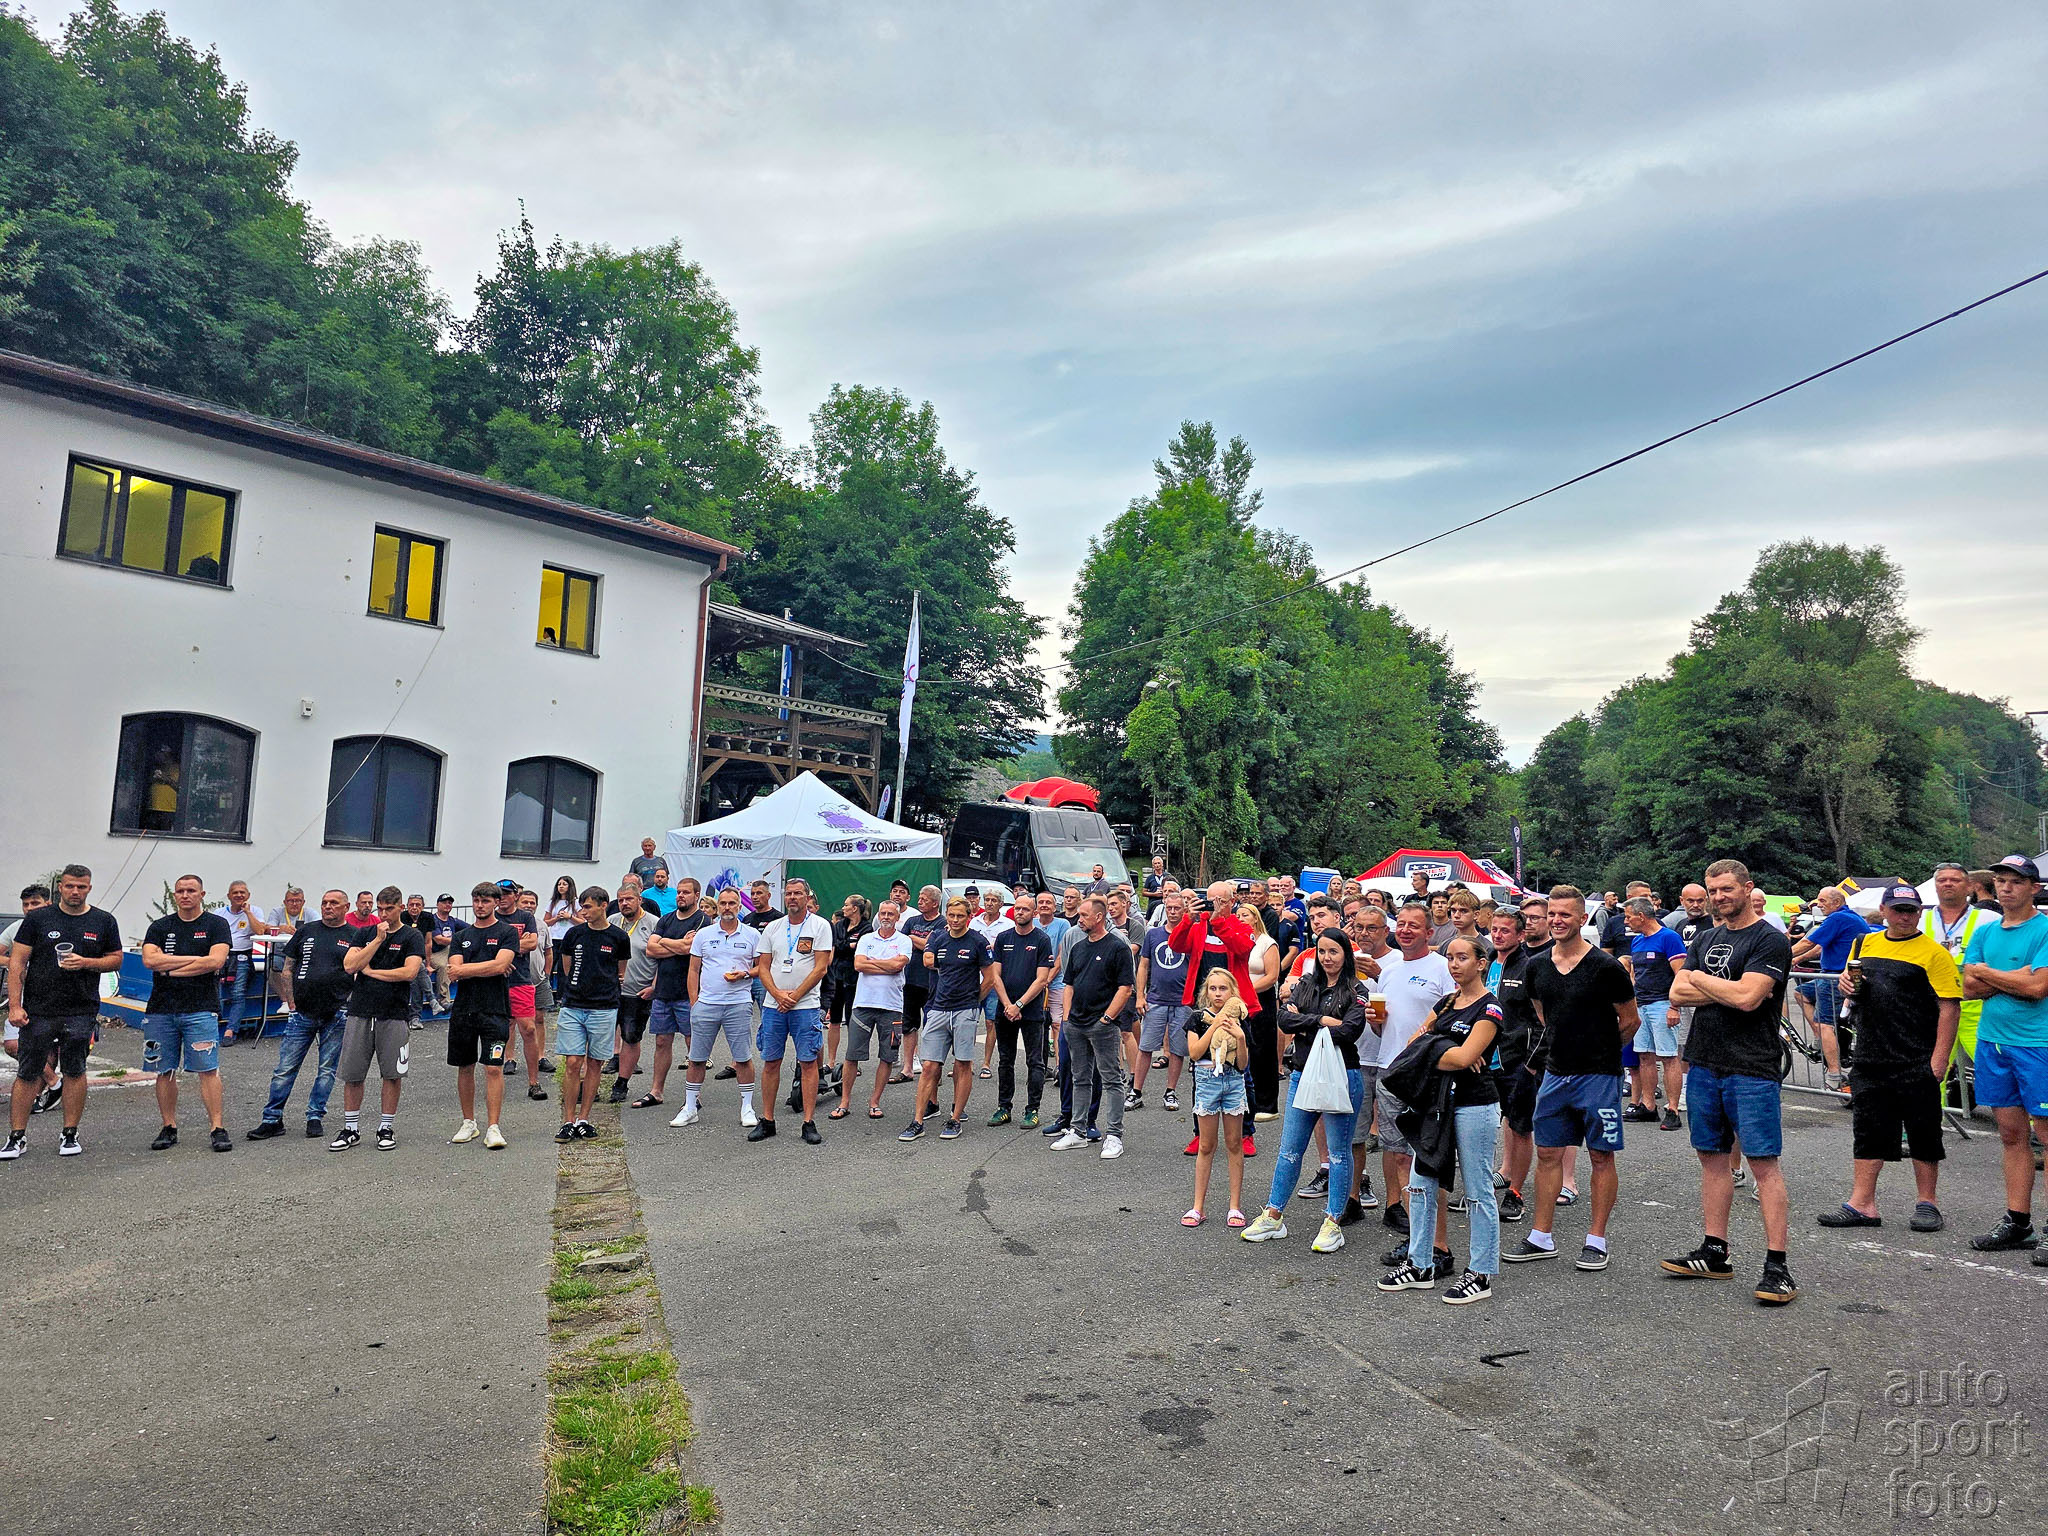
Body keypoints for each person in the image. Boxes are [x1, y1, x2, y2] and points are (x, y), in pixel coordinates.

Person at [1664, 859, 1800, 1304]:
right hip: (1705, 1062)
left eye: (1726, 889)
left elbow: (1748, 998)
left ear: (1747, 887)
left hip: (1752, 1066)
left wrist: (1701, 979)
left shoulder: (1769, 940)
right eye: (1713, 891)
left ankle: (1777, 1267)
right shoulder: (1706, 937)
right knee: (1711, 1157)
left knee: (1763, 1164)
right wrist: (1726, 987)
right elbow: (1676, 993)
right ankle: (1714, 1251)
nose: (1719, 897)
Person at [1503, 886, 1637, 1271]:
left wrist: (1599, 1050)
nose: (1557, 921)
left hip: (1599, 1077)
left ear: (1582, 918)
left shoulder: (1606, 968)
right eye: (1552, 914)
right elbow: (1544, 1016)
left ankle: (1596, 1240)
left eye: (1565, 915)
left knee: (1600, 1155)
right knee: (1548, 1154)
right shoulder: (1536, 967)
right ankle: (1540, 1237)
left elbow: (1630, 1021)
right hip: (1555, 1073)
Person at [1813, 882, 1957, 1233]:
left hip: (1915, 1055)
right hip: (1870, 1054)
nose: (1904, 917)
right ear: (1884, 910)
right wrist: (1846, 984)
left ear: (1919, 913)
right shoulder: (1865, 943)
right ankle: (1862, 1204)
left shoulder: (1935, 953)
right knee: (1868, 1129)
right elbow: (1852, 981)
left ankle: (1928, 1203)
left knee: (1923, 1132)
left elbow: (1949, 1008)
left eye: (1911, 911)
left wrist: (1939, 1060)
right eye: (1898, 910)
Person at [1381, 934, 1502, 1304]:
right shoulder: (1446, 1002)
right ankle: (1420, 1265)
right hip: (1436, 1106)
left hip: (1475, 1105)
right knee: (1421, 1185)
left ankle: (1480, 1273)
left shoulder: (1490, 1008)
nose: (1454, 964)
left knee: (1478, 1190)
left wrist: (1438, 1048)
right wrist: (1447, 1049)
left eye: (1462, 957)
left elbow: (1464, 1059)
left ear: (1481, 963)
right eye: (1450, 957)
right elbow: (1413, 1046)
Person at [1241, 929, 1369, 1251]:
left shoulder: (1357, 989)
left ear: (1346, 954)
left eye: (1333, 952)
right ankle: (1273, 1215)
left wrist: (1306, 1021)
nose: (1327, 958)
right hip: (1302, 1074)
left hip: (1342, 1075)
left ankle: (1333, 1222)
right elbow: (1284, 1019)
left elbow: (1350, 1031)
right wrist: (1323, 1020)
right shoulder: (1306, 983)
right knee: (1289, 1149)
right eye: (1322, 951)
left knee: (1338, 1153)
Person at [1960, 854, 2048, 1259]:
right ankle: (2018, 1222)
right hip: (1993, 1042)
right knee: (2012, 1136)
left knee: (2045, 1136)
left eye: (2016, 881)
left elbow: (2038, 989)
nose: (2006, 887)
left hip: (2038, 1045)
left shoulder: (2044, 930)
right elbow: (1969, 987)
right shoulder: (1986, 930)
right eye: (2000, 880)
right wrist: (2017, 977)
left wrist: (1987, 972)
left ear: (2034, 888)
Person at [2, 865, 121, 1160]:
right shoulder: (38, 919)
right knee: (28, 1072)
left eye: (81, 886)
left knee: (74, 1070)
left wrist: (86, 962)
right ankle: (16, 1137)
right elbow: (17, 963)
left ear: (89, 888)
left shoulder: (103, 920)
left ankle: (69, 1134)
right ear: (60, 888)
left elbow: (116, 959)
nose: (75, 891)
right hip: (39, 1010)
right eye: (70, 886)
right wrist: (15, 1006)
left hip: (81, 1009)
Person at [1368, 903, 1454, 1252]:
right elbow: (1383, 1027)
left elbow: (1451, 1017)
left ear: (1429, 932)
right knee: (1397, 1153)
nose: (1404, 930)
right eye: (1400, 924)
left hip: (1427, 1074)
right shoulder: (1388, 971)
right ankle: (1409, 1224)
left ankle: (1430, 1232)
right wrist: (1375, 1021)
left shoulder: (1442, 968)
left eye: (1413, 926)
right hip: (1390, 1070)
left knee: (1426, 1155)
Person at [248, 889, 355, 1141]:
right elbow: (288, 968)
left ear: (346, 907)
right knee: (285, 1069)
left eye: (334, 903)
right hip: (302, 1013)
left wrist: (347, 1002)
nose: (328, 906)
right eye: (325, 902)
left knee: (326, 1070)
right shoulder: (307, 931)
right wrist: (290, 1002)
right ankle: (272, 1120)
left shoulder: (354, 935)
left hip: (336, 1014)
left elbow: (359, 971)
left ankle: (315, 1116)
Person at [140, 874, 234, 1152]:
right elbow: (149, 960)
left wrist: (169, 969)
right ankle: (168, 1127)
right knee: (163, 1070)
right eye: (180, 891)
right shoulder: (160, 926)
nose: (185, 895)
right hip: (160, 1011)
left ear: (202, 894)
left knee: (208, 1070)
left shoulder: (216, 925)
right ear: (175, 895)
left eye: (191, 890)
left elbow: (215, 961)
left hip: (201, 1009)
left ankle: (217, 1128)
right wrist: (196, 960)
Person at [1168, 884, 1261, 1154]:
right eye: (1209, 900)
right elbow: (1176, 945)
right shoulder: (1198, 925)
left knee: (1242, 1071)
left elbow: (1242, 949)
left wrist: (1220, 922)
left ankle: (1245, 1133)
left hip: (1235, 1006)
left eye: (1219, 900)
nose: (1213, 905)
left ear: (1232, 901)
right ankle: (1200, 1132)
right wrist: (1188, 919)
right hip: (1202, 1007)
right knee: (1200, 1070)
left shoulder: (1240, 926)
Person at [333, 886, 425, 1151]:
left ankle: (386, 1127)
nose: (383, 914)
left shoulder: (412, 936)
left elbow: (409, 972)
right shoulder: (365, 933)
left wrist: (372, 973)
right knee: (353, 1074)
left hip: (394, 1013)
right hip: (360, 1011)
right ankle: (351, 1129)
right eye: (380, 909)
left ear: (401, 908)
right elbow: (350, 965)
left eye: (389, 909)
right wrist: (376, 941)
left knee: (392, 1074)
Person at [1049, 895, 1136, 1158]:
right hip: (1075, 1024)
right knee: (1079, 1078)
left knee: (1111, 1080)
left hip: (1103, 1026)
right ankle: (1078, 1131)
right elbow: (1069, 984)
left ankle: (1114, 1136)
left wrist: (1107, 1018)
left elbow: (1125, 987)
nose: (1079, 919)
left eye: (1084, 915)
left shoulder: (1118, 947)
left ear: (1099, 917)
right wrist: (1066, 1017)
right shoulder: (1077, 947)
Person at [902, 896, 994, 1141]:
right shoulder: (938, 938)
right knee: (929, 1066)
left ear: (969, 917)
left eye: (960, 916)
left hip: (965, 1010)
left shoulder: (978, 941)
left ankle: (955, 1118)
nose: (955, 920)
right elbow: (927, 960)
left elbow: (990, 978)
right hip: (938, 1008)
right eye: (951, 915)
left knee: (962, 1064)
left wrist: (974, 1001)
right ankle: (918, 1121)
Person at [673, 887, 762, 1127]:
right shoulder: (704, 934)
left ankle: (747, 1108)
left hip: (738, 1004)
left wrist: (745, 974)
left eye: (732, 903)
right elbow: (693, 970)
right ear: (717, 906)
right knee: (696, 1058)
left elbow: (762, 967)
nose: (727, 907)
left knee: (742, 1058)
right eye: (723, 903)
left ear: (739, 907)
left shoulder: (752, 935)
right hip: (706, 1004)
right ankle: (690, 1107)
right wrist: (695, 1003)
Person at [754, 878, 832, 1145]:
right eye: (788, 893)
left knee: (808, 1062)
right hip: (774, 1005)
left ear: (807, 897)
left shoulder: (820, 926)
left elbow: (820, 968)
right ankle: (767, 1120)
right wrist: (778, 995)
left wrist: (795, 996)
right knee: (771, 1061)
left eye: (798, 893)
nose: (792, 898)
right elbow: (763, 967)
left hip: (805, 1005)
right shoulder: (773, 927)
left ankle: (808, 1122)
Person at [445, 882, 520, 1149]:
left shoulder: (507, 932)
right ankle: (469, 1122)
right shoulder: (461, 935)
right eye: (476, 900)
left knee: (493, 1068)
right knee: (465, 1067)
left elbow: (500, 965)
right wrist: (491, 967)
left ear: (496, 903)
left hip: (494, 1009)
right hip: (464, 1010)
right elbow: (453, 971)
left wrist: (470, 969)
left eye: (485, 901)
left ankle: (493, 1127)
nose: (479, 905)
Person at [555, 886, 631, 1143]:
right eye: (582, 907)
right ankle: (568, 1120)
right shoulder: (574, 934)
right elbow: (567, 968)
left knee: (595, 1063)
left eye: (588, 907)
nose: (583, 912)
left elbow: (620, 972)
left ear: (603, 905)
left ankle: (584, 1119)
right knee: (573, 1062)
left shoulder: (619, 937)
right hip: (573, 1005)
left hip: (604, 1007)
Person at [1182, 968, 1250, 1228]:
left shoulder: (1240, 1019)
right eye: (1213, 988)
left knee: (1234, 1143)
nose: (1218, 993)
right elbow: (1195, 1052)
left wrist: (1240, 1037)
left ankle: (1235, 1206)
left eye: (1223, 988)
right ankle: (1198, 1206)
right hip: (1206, 1080)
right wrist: (1214, 1026)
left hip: (1233, 1081)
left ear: (1232, 992)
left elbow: (1243, 1064)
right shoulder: (1197, 1018)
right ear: (1206, 992)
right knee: (1206, 1145)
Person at [1792, 886, 1875, 1092]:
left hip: (1835, 979)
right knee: (1801, 993)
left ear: (1837, 902)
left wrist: (1777, 954)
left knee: (1825, 1024)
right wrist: (1795, 960)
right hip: (1835, 976)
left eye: (1822, 901)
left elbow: (1807, 942)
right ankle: (1820, 1041)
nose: (1818, 904)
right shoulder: (1849, 917)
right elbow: (1819, 948)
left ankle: (1834, 1075)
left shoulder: (1837, 918)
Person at [1487, 907, 1540, 1224]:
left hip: (1517, 1061)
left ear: (1521, 935)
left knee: (1520, 1126)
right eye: (1494, 928)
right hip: (1484, 1060)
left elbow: (1541, 1019)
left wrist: (1531, 1063)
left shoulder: (1530, 966)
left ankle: (1515, 1192)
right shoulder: (1486, 962)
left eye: (1505, 930)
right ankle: (1484, 1187)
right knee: (1485, 1125)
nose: (1498, 935)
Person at [839, 899, 915, 1120]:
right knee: (852, 1056)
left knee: (887, 1056)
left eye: (891, 914)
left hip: (892, 1007)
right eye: (883, 913)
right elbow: (858, 965)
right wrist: (886, 965)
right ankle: (844, 1102)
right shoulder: (866, 939)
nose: (886, 917)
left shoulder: (904, 940)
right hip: (863, 1004)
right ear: (878, 915)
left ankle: (874, 1102)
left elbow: (897, 966)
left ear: (898, 917)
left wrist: (873, 963)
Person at [640, 877, 711, 1109]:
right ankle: (656, 1091)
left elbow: (690, 949)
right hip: (663, 991)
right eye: (679, 892)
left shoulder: (703, 920)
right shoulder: (666, 919)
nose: (680, 896)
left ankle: (694, 1095)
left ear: (696, 895)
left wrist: (666, 943)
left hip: (688, 993)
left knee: (693, 1044)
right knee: (662, 1041)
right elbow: (650, 949)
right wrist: (678, 944)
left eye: (686, 892)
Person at [987, 895, 1054, 1127]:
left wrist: (1019, 1005)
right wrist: (1008, 1005)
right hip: (1005, 1010)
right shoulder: (1003, 938)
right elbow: (995, 976)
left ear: (1034, 913)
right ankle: (1004, 1107)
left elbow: (1042, 979)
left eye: (1025, 909)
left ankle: (1032, 1109)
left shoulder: (1042, 940)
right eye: (1017, 908)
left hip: (1031, 1011)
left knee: (1035, 1061)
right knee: (1005, 1060)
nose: (1020, 912)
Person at [1922, 862, 1995, 1076]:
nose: (1948, 884)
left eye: (1955, 880)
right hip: (1933, 1008)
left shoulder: (1989, 919)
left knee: (1992, 1071)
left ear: (1969, 886)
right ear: (1935, 886)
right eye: (1942, 880)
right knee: (1931, 1073)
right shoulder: (1921, 919)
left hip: (1977, 1008)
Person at [1622, 896, 1688, 1129]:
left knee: (1669, 1057)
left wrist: (1674, 1006)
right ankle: (1649, 1106)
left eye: (1628, 917)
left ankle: (1673, 1109)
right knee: (1644, 1056)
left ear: (1641, 916)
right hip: (1641, 1005)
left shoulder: (1669, 938)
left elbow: (1681, 975)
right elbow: (1635, 974)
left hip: (1662, 1004)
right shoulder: (1637, 941)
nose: (1626, 921)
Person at [2, 885, 60, 1118]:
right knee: (13, 1044)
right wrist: (15, 963)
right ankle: (55, 1082)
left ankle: (40, 1096)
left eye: (34, 903)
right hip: (23, 998)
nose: (29, 908)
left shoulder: (60, 925)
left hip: (55, 999)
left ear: (47, 903)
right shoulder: (17, 927)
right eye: (25, 904)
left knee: (49, 1048)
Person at [1133, 887, 1191, 1113]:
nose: (1173, 912)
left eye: (1177, 908)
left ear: (1184, 910)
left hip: (1182, 1001)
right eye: (1170, 908)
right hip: (1156, 998)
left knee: (1177, 1049)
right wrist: (1140, 995)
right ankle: (1136, 1091)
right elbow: (1143, 965)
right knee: (1146, 1046)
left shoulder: (1190, 933)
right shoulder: (1153, 934)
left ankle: (1170, 1091)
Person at [606, 877, 662, 1104]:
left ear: (640, 899)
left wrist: (654, 987)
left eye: (629, 899)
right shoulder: (611, 921)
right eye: (621, 900)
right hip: (609, 992)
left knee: (630, 1037)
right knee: (598, 1037)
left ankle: (622, 1083)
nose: (624, 903)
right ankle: (587, 1083)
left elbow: (662, 959)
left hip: (638, 991)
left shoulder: (655, 923)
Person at [497, 883, 547, 1101]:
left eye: (507, 894)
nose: (502, 898)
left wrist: (502, 948)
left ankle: (534, 1082)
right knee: (498, 1029)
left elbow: (532, 944)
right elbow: (486, 947)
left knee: (528, 1028)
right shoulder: (490, 916)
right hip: (496, 981)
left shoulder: (525, 917)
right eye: (498, 894)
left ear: (515, 895)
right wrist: (517, 944)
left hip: (521, 980)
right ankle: (497, 1076)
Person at [827, 894, 873, 1093]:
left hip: (854, 980)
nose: (843, 908)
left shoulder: (867, 928)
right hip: (836, 977)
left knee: (853, 1021)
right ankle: (831, 1061)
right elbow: (837, 946)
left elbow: (860, 950)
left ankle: (852, 1061)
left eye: (846, 905)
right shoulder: (839, 925)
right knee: (834, 1020)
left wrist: (846, 946)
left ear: (855, 908)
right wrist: (848, 945)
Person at [896, 886, 941, 1088]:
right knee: (908, 1025)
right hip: (910, 980)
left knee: (932, 1026)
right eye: (920, 898)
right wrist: (921, 942)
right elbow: (901, 943)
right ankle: (907, 1067)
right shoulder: (912, 921)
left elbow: (932, 947)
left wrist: (914, 939)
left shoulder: (941, 923)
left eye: (924, 899)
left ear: (935, 903)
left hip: (931, 982)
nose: (920, 901)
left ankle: (932, 1069)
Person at [212, 879, 266, 1045]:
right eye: (235, 892)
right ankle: (212, 1025)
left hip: (243, 956)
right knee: (213, 989)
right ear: (229, 896)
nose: (239, 895)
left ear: (248, 895)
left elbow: (260, 931)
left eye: (242, 892)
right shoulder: (219, 913)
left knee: (238, 993)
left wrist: (247, 912)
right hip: (222, 955)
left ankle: (231, 1030)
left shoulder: (255, 911)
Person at [425, 893, 462, 1014]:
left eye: (450, 903)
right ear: (437, 904)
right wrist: (458, 940)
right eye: (444, 902)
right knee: (443, 966)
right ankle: (443, 999)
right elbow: (439, 940)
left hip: (447, 951)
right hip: (432, 953)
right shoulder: (432, 920)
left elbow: (471, 929)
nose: (447, 905)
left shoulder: (453, 920)